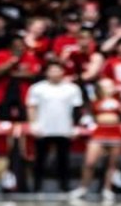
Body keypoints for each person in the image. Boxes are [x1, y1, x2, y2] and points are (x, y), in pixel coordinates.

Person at [26, 62, 85, 193]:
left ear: (63, 72)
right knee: (40, 158)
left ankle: (64, 186)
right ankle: (37, 185)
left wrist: (75, 126)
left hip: (64, 129)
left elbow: (77, 109)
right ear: (46, 73)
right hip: (43, 128)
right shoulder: (37, 88)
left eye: (57, 70)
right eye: (51, 70)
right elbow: (32, 107)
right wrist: (33, 124)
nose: (55, 73)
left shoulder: (72, 88)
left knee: (63, 159)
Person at [73, 78, 121, 202]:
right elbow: (88, 116)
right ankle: (83, 187)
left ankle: (107, 189)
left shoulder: (120, 101)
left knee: (112, 164)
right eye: (104, 86)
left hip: (115, 132)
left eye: (110, 86)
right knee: (89, 162)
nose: (108, 89)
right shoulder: (94, 101)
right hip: (99, 132)